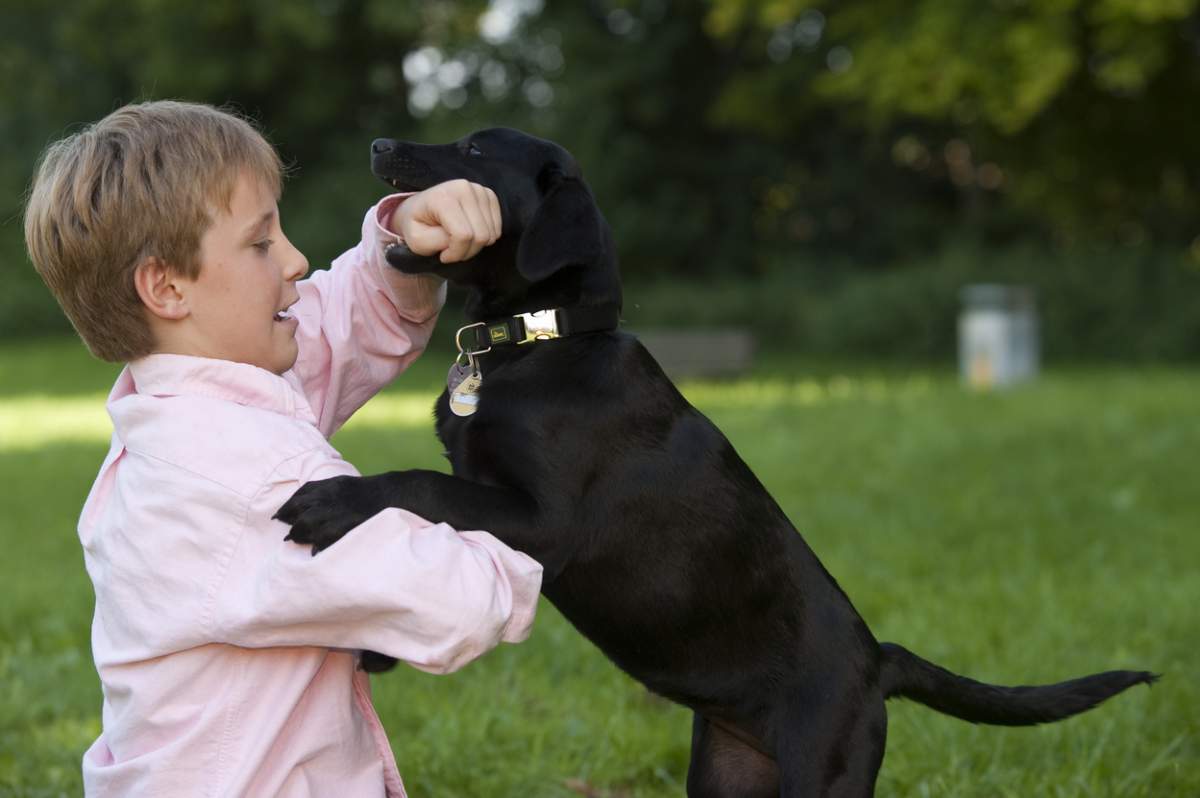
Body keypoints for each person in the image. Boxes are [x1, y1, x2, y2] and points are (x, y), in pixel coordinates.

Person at [23, 100, 543, 797]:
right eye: (261, 243)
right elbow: (455, 602)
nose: (296, 259)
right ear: (167, 286)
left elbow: (341, 327)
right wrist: (538, 519)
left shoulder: (190, 411)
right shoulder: (248, 477)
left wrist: (404, 245)